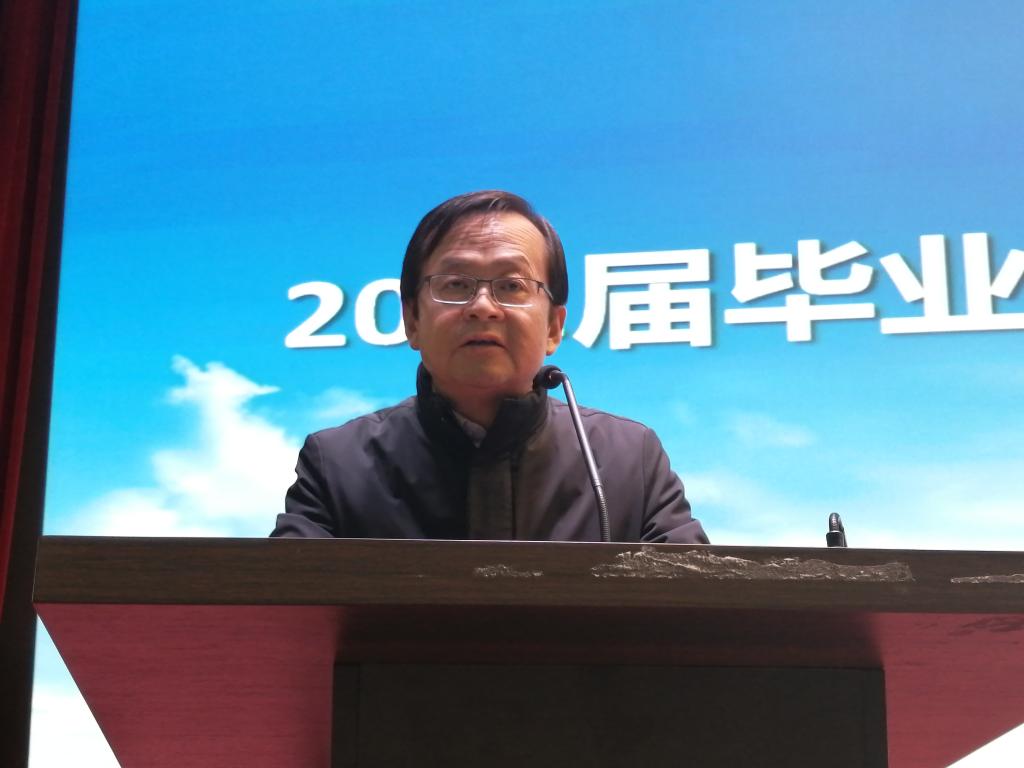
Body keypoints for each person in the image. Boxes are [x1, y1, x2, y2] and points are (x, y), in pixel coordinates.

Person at [271, 190, 708, 543]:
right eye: (456, 284)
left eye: (512, 285)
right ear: (412, 321)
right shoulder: (336, 465)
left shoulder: (629, 460)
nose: (482, 306)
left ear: (554, 328)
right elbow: (282, 615)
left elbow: (696, 610)